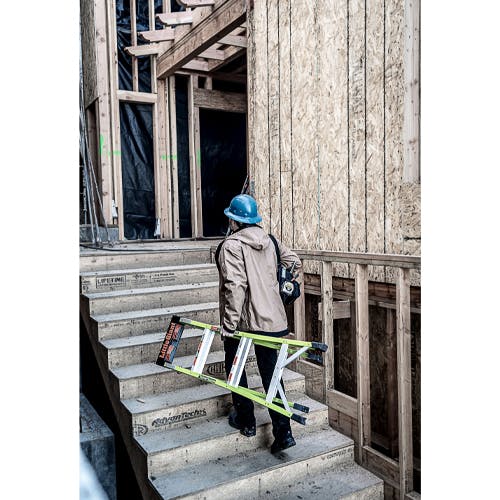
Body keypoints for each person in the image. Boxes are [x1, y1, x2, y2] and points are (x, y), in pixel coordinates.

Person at [214, 193, 302, 454]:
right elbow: (294, 263)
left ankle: (246, 421)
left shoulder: (231, 246)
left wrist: (229, 325)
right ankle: (283, 432)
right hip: (273, 320)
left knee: (235, 367)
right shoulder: (270, 240)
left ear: (234, 221)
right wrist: (280, 287)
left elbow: (235, 287)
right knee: (272, 374)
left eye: (230, 218)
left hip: (244, 322)